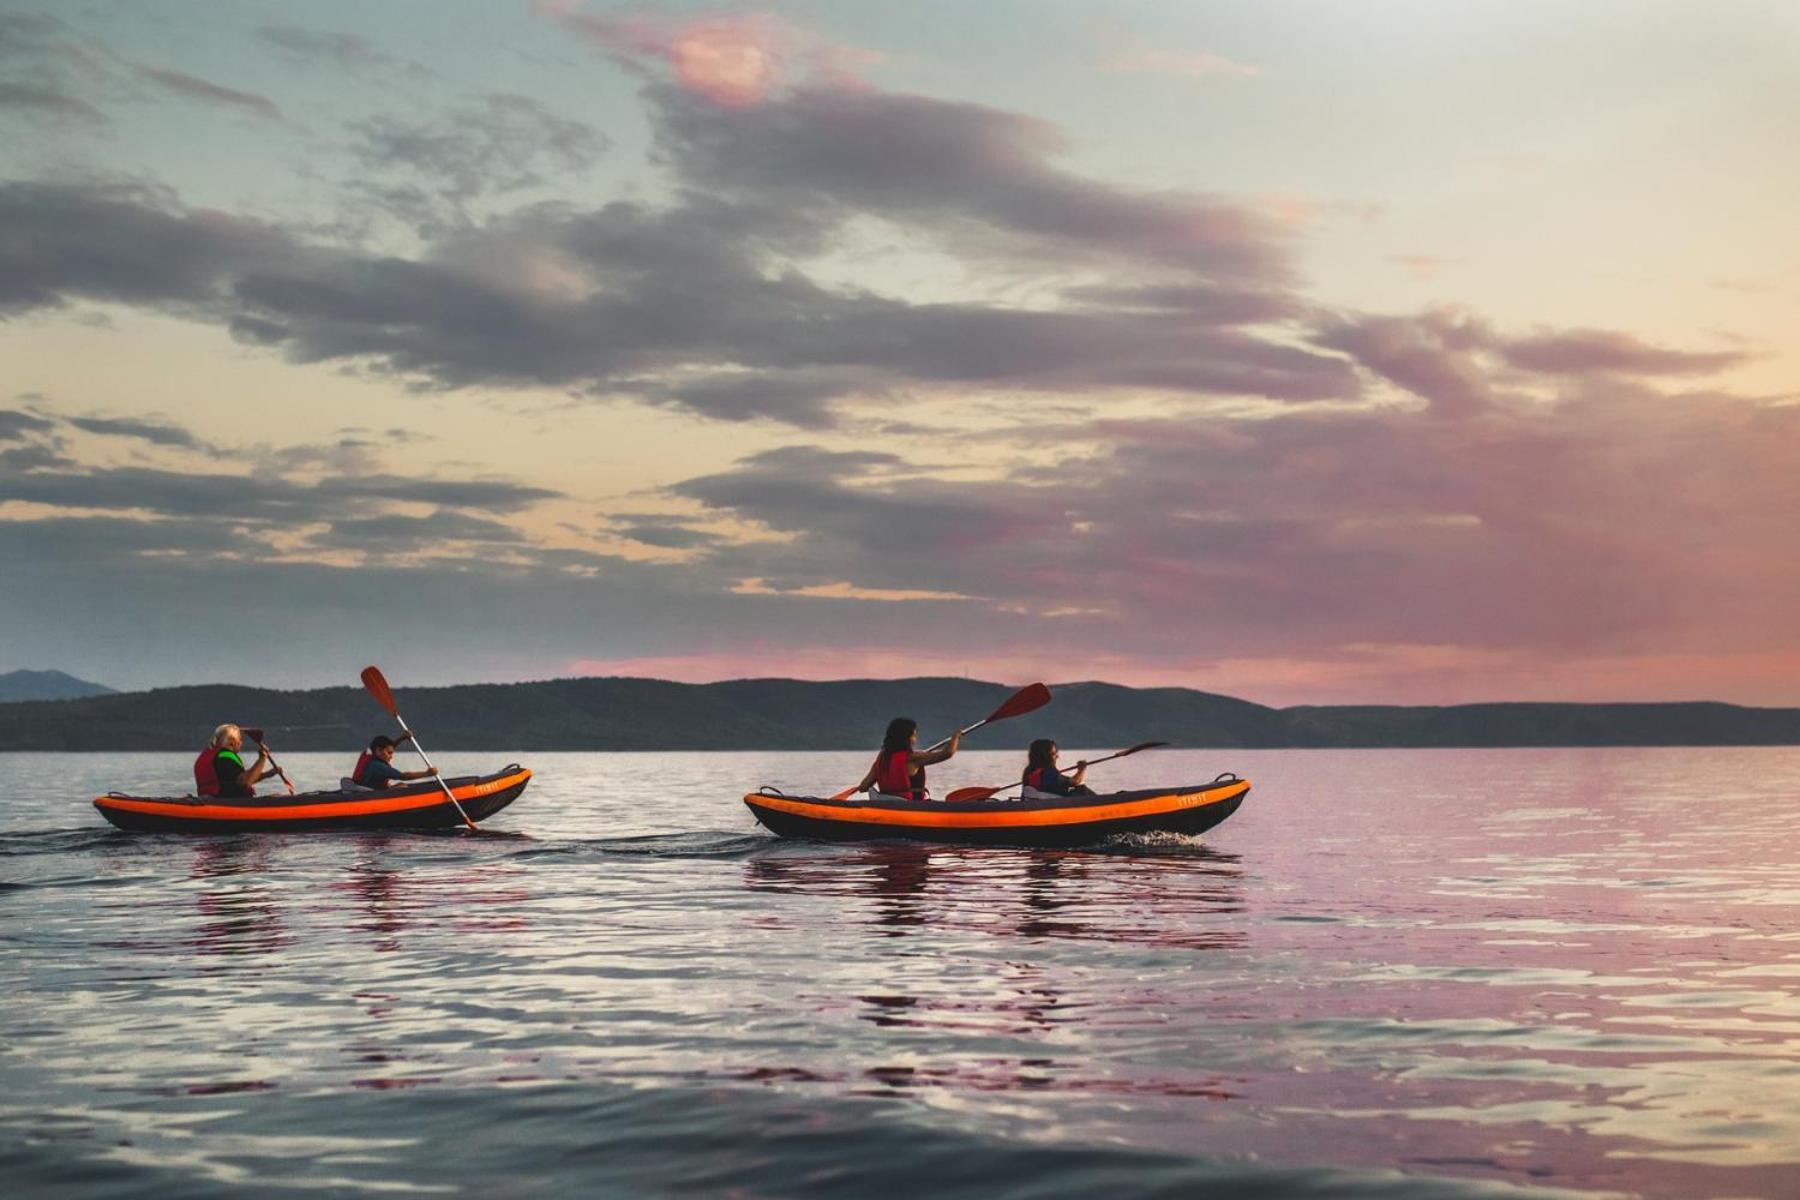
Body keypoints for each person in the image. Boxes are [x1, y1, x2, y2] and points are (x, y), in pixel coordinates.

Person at [852, 717, 961, 801]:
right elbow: (947, 753)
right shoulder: (913, 758)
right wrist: (955, 737)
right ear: (906, 738)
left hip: (888, 805)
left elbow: (863, 787)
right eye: (914, 735)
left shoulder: (882, 759)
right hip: (912, 806)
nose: (915, 738)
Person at [194, 723, 275, 798]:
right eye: (240, 739)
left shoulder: (213, 754)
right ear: (232, 742)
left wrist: (267, 774)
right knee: (275, 797)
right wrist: (262, 758)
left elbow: (238, 780)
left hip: (212, 799)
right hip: (230, 802)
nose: (241, 743)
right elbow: (245, 781)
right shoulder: (226, 757)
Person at [351, 734, 438, 789]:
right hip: (370, 796)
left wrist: (402, 738)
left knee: (399, 785)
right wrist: (427, 774)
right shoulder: (378, 766)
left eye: (391, 753)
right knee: (402, 786)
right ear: (378, 750)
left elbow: (389, 748)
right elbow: (404, 776)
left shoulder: (370, 754)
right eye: (389, 753)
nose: (391, 757)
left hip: (367, 789)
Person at [1020, 739, 1093, 798]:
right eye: (1053, 754)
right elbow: (1075, 781)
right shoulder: (1047, 773)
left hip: (1040, 804)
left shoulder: (1029, 771)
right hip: (1054, 806)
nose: (1057, 756)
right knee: (1082, 789)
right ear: (1045, 756)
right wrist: (1081, 769)